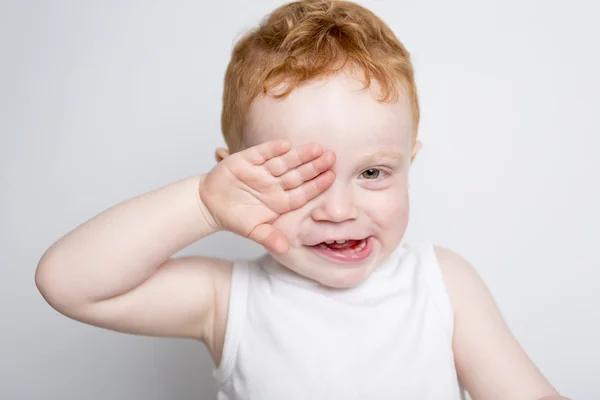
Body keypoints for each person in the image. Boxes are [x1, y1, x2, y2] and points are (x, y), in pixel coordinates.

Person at [35, 1, 569, 399]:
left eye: (373, 172)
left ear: (411, 162)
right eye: (299, 180)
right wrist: (201, 204)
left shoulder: (442, 285)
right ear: (236, 181)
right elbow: (69, 283)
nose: (338, 210)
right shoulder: (227, 301)